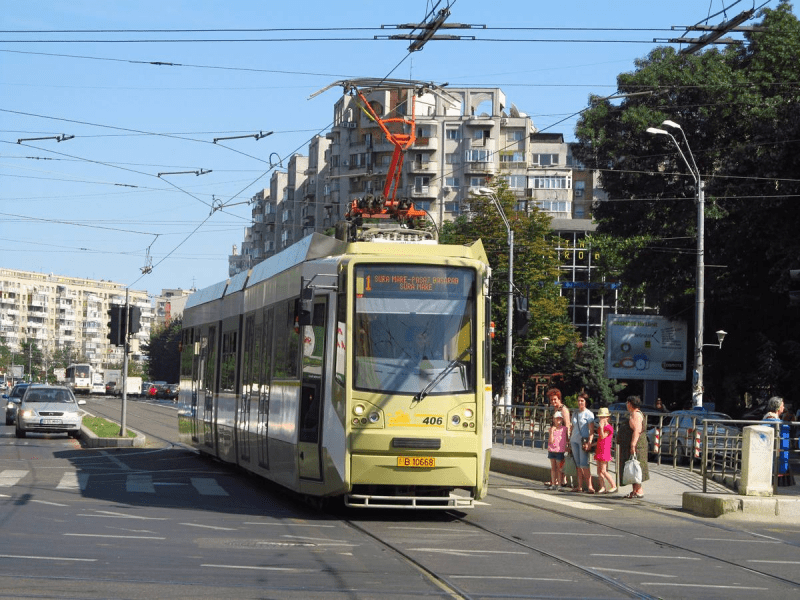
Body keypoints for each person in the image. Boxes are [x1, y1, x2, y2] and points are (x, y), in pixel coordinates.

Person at [617, 395, 649, 498]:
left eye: (627, 403)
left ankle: (639, 490)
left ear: (630, 404)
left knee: (636, 467)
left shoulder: (636, 415)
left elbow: (637, 430)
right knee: (632, 467)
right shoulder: (633, 414)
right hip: (634, 445)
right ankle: (635, 490)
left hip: (637, 446)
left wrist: (633, 445)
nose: (626, 405)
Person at [764, 396, 794, 486]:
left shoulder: (772, 418)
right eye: (782, 405)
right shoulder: (772, 419)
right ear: (778, 407)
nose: (784, 408)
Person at [570, 392, 595, 493]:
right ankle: (579, 486)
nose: (580, 403)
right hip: (573, 440)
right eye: (579, 400)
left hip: (583, 441)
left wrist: (589, 442)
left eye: (582, 401)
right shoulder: (575, 413)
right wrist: (568, 439)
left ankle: (590, 486)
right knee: (578, 464)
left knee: (584, 464)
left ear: (586, 402)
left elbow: (592, 431)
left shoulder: (589, 414)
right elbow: (572, 427)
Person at [547, 388, 570, 486]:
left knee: (560, 461)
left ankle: (561, 480)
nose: (553, 402)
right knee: (557, 462)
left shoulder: (563, 409)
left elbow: (568, 425)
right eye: (551, 400)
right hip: (555, 439)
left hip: (562, 440)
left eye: (555, 399)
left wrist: (567, 442)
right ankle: (556, 480)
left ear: (559, 398)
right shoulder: (555, 409)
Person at [595, 406, 617, 494]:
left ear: (607, 417)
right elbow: (600, 437)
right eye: (600, 417)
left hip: (605, 450)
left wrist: (601, 427)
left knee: (603, 470)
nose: (601, 419)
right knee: (599, 471)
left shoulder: (608, 427)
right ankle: (602, 486)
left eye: (603, 417)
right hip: (599, 448)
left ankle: (613, 485)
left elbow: (603, 436)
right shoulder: (601, 428)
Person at [547, 411, 567, 490]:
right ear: (553, 420)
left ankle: (559, 484)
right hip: (552, 450)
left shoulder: (564, 429)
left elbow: (566, 439)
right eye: (556, 419)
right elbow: (551, 441)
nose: (558, 421)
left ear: (562, 420)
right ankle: (553, 484)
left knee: (559, 468)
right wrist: (552, 431)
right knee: (553, 468)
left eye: (560, 419)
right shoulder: (552, 429)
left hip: (560, 450)